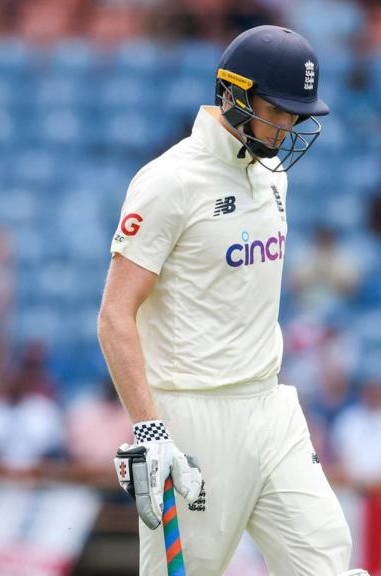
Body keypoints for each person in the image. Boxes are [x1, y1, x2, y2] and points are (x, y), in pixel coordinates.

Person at [98, 25, 369, 575]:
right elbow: (113, 316)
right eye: (280, 110)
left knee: (328, 558)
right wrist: (149, 427)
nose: (290, 125)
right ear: (235, 94)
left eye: (298, 114)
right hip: (195, 415)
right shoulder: (168, 182)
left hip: (271, 406)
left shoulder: (272, 173)